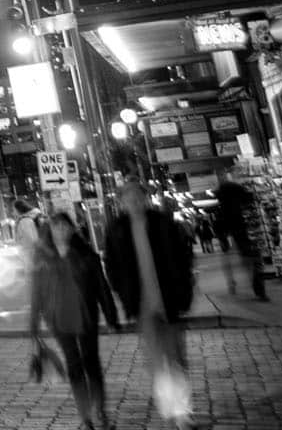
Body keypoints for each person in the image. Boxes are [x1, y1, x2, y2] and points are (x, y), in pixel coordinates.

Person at [104, 181, 197, 430]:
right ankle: (170, 412)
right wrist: (123, 292)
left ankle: (183, 413)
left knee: (177, 358)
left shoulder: (162, 222)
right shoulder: (116, 229)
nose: (134, 201)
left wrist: (184, 289)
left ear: (145, 199)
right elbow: (110, 264)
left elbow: (182, 255)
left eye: (138, 197)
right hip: (142, 305)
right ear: (121, 202)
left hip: (169, 300)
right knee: (157, 361)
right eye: (128, 198)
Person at [29, 212, 119, 430]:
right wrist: (33, 326)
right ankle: (85, 415)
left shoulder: (87, 255)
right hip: (58, 320)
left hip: (85, 315)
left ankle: (100, 411)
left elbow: (101, 288)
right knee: (74, 365)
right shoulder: (41, 258)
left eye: (64, 226)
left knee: (91, 363)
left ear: (72, 229)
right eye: (56, 226)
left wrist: (111, 317)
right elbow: (36, 293)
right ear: (49, 230)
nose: (60, 230)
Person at [213, 166, 267, 300]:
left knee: (231, 258)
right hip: (243, 230)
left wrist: (222, 238)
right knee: (254, 260)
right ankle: (259, 290)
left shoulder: (221, 206)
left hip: (231, 232)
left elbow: (219, 225)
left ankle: (232, 282)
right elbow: (250, 198)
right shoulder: (237, 193)